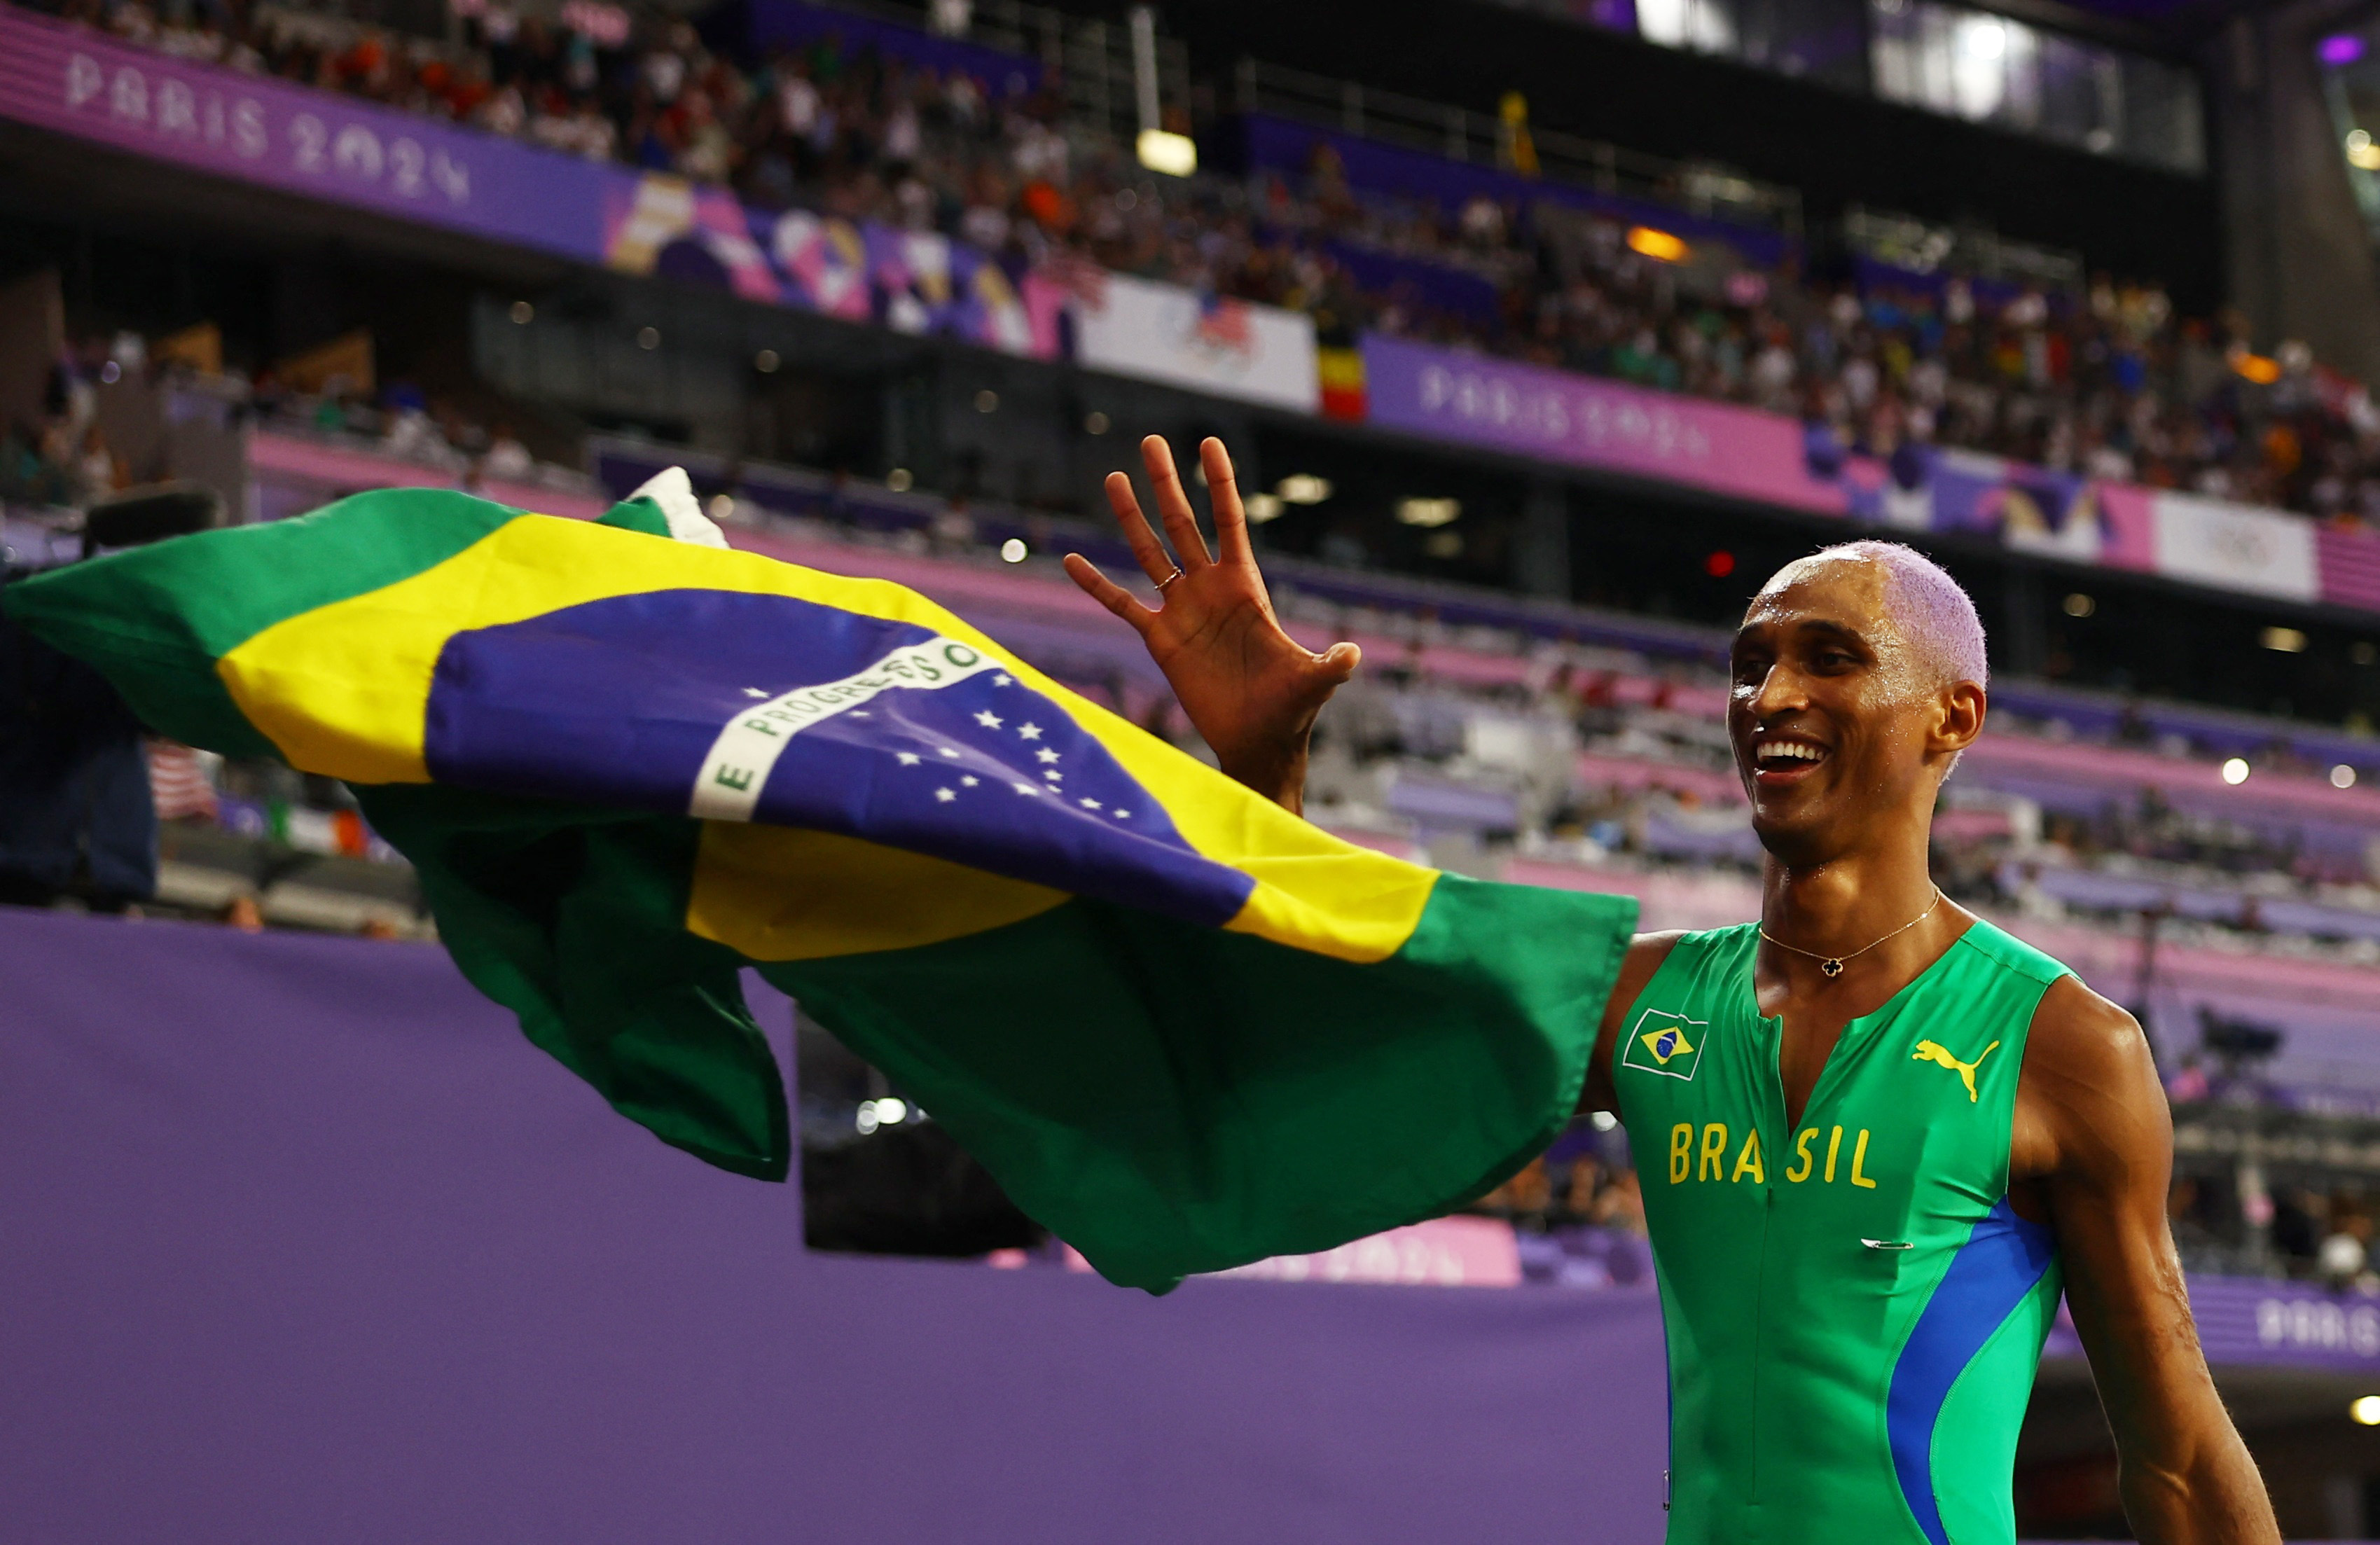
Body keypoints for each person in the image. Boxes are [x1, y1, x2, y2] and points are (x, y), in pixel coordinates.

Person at [1065, 435, 2278, 1545]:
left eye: (1829, 658)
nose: (1770, 698)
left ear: (1950, 715)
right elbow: (1318, 1040)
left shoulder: (2063, 1046)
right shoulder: (1634, 1001)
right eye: (1749, 666)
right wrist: (1264, 773)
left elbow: (2173, 1457)